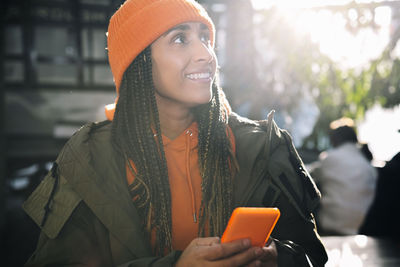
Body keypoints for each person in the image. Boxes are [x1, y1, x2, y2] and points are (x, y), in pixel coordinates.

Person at [22, 0, 327, 266]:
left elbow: (311, 254)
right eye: (180, 39)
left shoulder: (263, 146)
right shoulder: (89, 158)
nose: (206, 55)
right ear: (139, 62)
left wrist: (278, 259)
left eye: (205, 37)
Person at [308, 117, 377, 235]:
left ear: (335, 139)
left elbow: (306, 174)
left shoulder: (329, 158)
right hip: (362, 229)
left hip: (331, 227)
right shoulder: (368, 166)